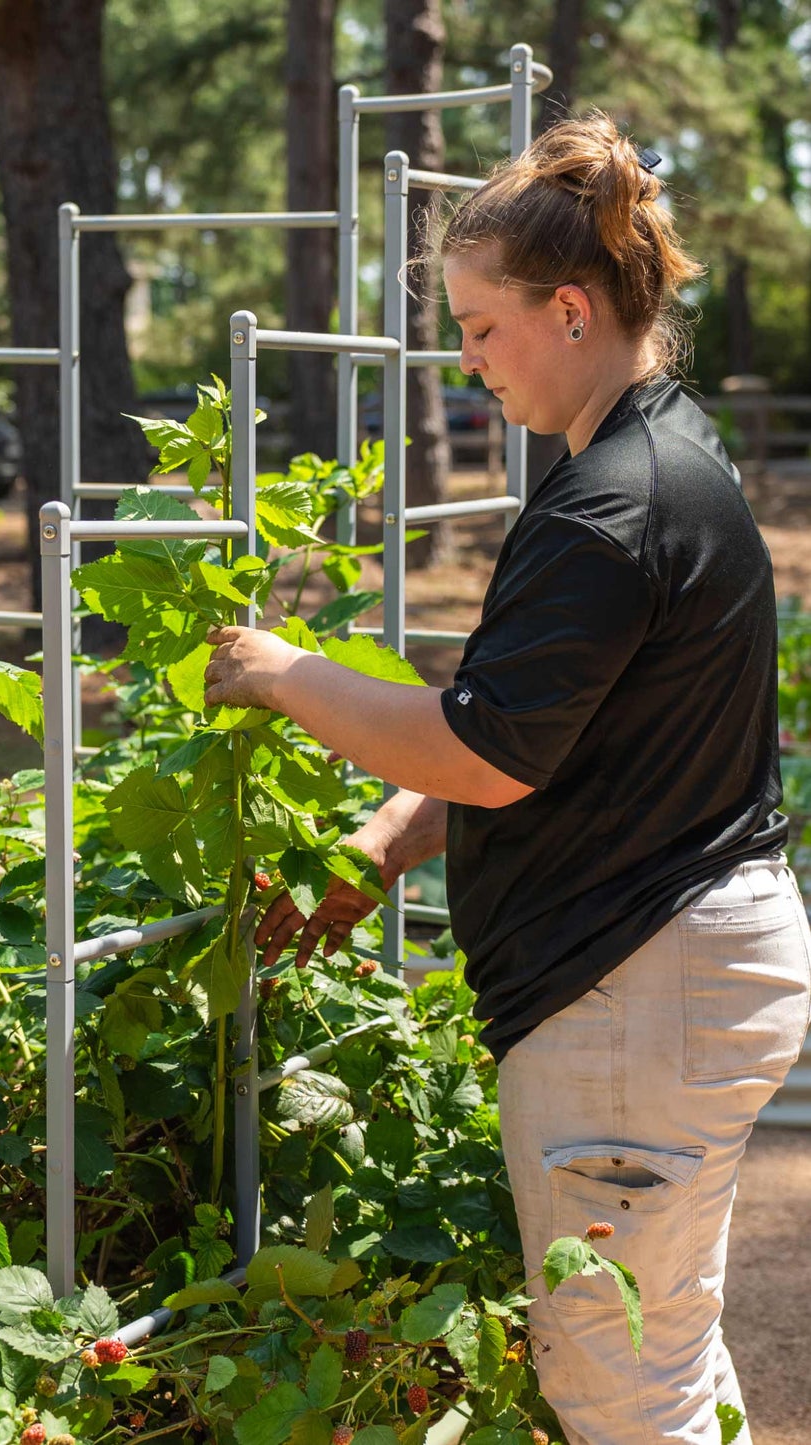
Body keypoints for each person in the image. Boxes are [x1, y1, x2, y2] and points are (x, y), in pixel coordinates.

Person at [201, 111, 810, 1445]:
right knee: (662, 1344)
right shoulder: (647, 462)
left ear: (572, 310)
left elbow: (479, 743)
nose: (466, 361)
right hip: (679, 975)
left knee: (615, 1382)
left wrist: (276, 669)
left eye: (480, 328)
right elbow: (553, 737)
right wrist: (379, 847)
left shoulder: (613, 506)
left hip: (635, 995)